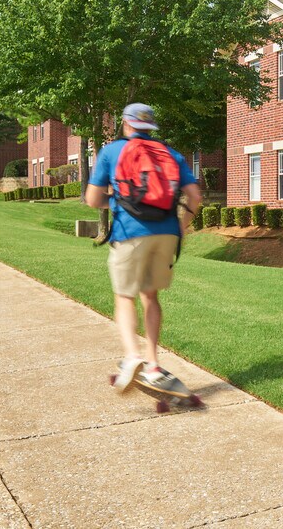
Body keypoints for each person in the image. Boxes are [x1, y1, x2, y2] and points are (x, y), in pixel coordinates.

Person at [85, 102, 202, 394]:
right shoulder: (171, 154)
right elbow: (195, 197)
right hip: (166, 233)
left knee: (124, 296)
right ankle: (152, 363)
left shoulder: (112, 151)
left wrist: (112, 201)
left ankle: (132, 356)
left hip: (130, 233)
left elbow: (91, 199)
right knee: (150, 296)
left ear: (125, 124)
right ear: (151, 127)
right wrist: (182, 226)